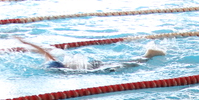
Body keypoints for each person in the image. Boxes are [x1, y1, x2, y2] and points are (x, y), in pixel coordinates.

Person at [17, 38, 165, 72]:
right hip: (93, 64)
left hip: (92, 69)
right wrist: (26, 43)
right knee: (123, 63)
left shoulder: (61, 70)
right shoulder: (56, 64)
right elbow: (45, 52)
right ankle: (147, 55)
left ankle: (148, 55)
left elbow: (45, 53)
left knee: (126, 65)